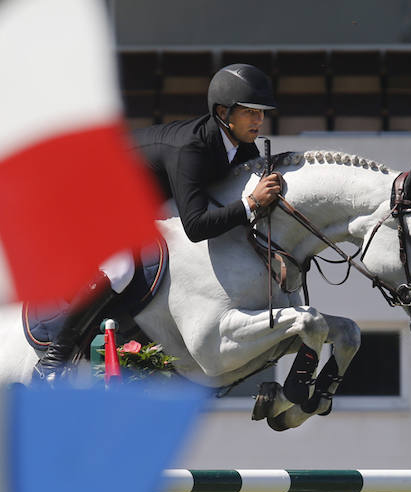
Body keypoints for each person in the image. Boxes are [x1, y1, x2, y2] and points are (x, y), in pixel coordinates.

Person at [33, 63, 282, 379]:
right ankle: (55, 358)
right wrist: (250, 202)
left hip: (144, 196)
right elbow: (196, 226)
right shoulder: (192, 148)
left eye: (262, 113)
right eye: (251, 112)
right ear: (223, 112)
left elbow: (235, 213)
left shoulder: (242, 146)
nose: (259, 120)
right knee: (121, 267)